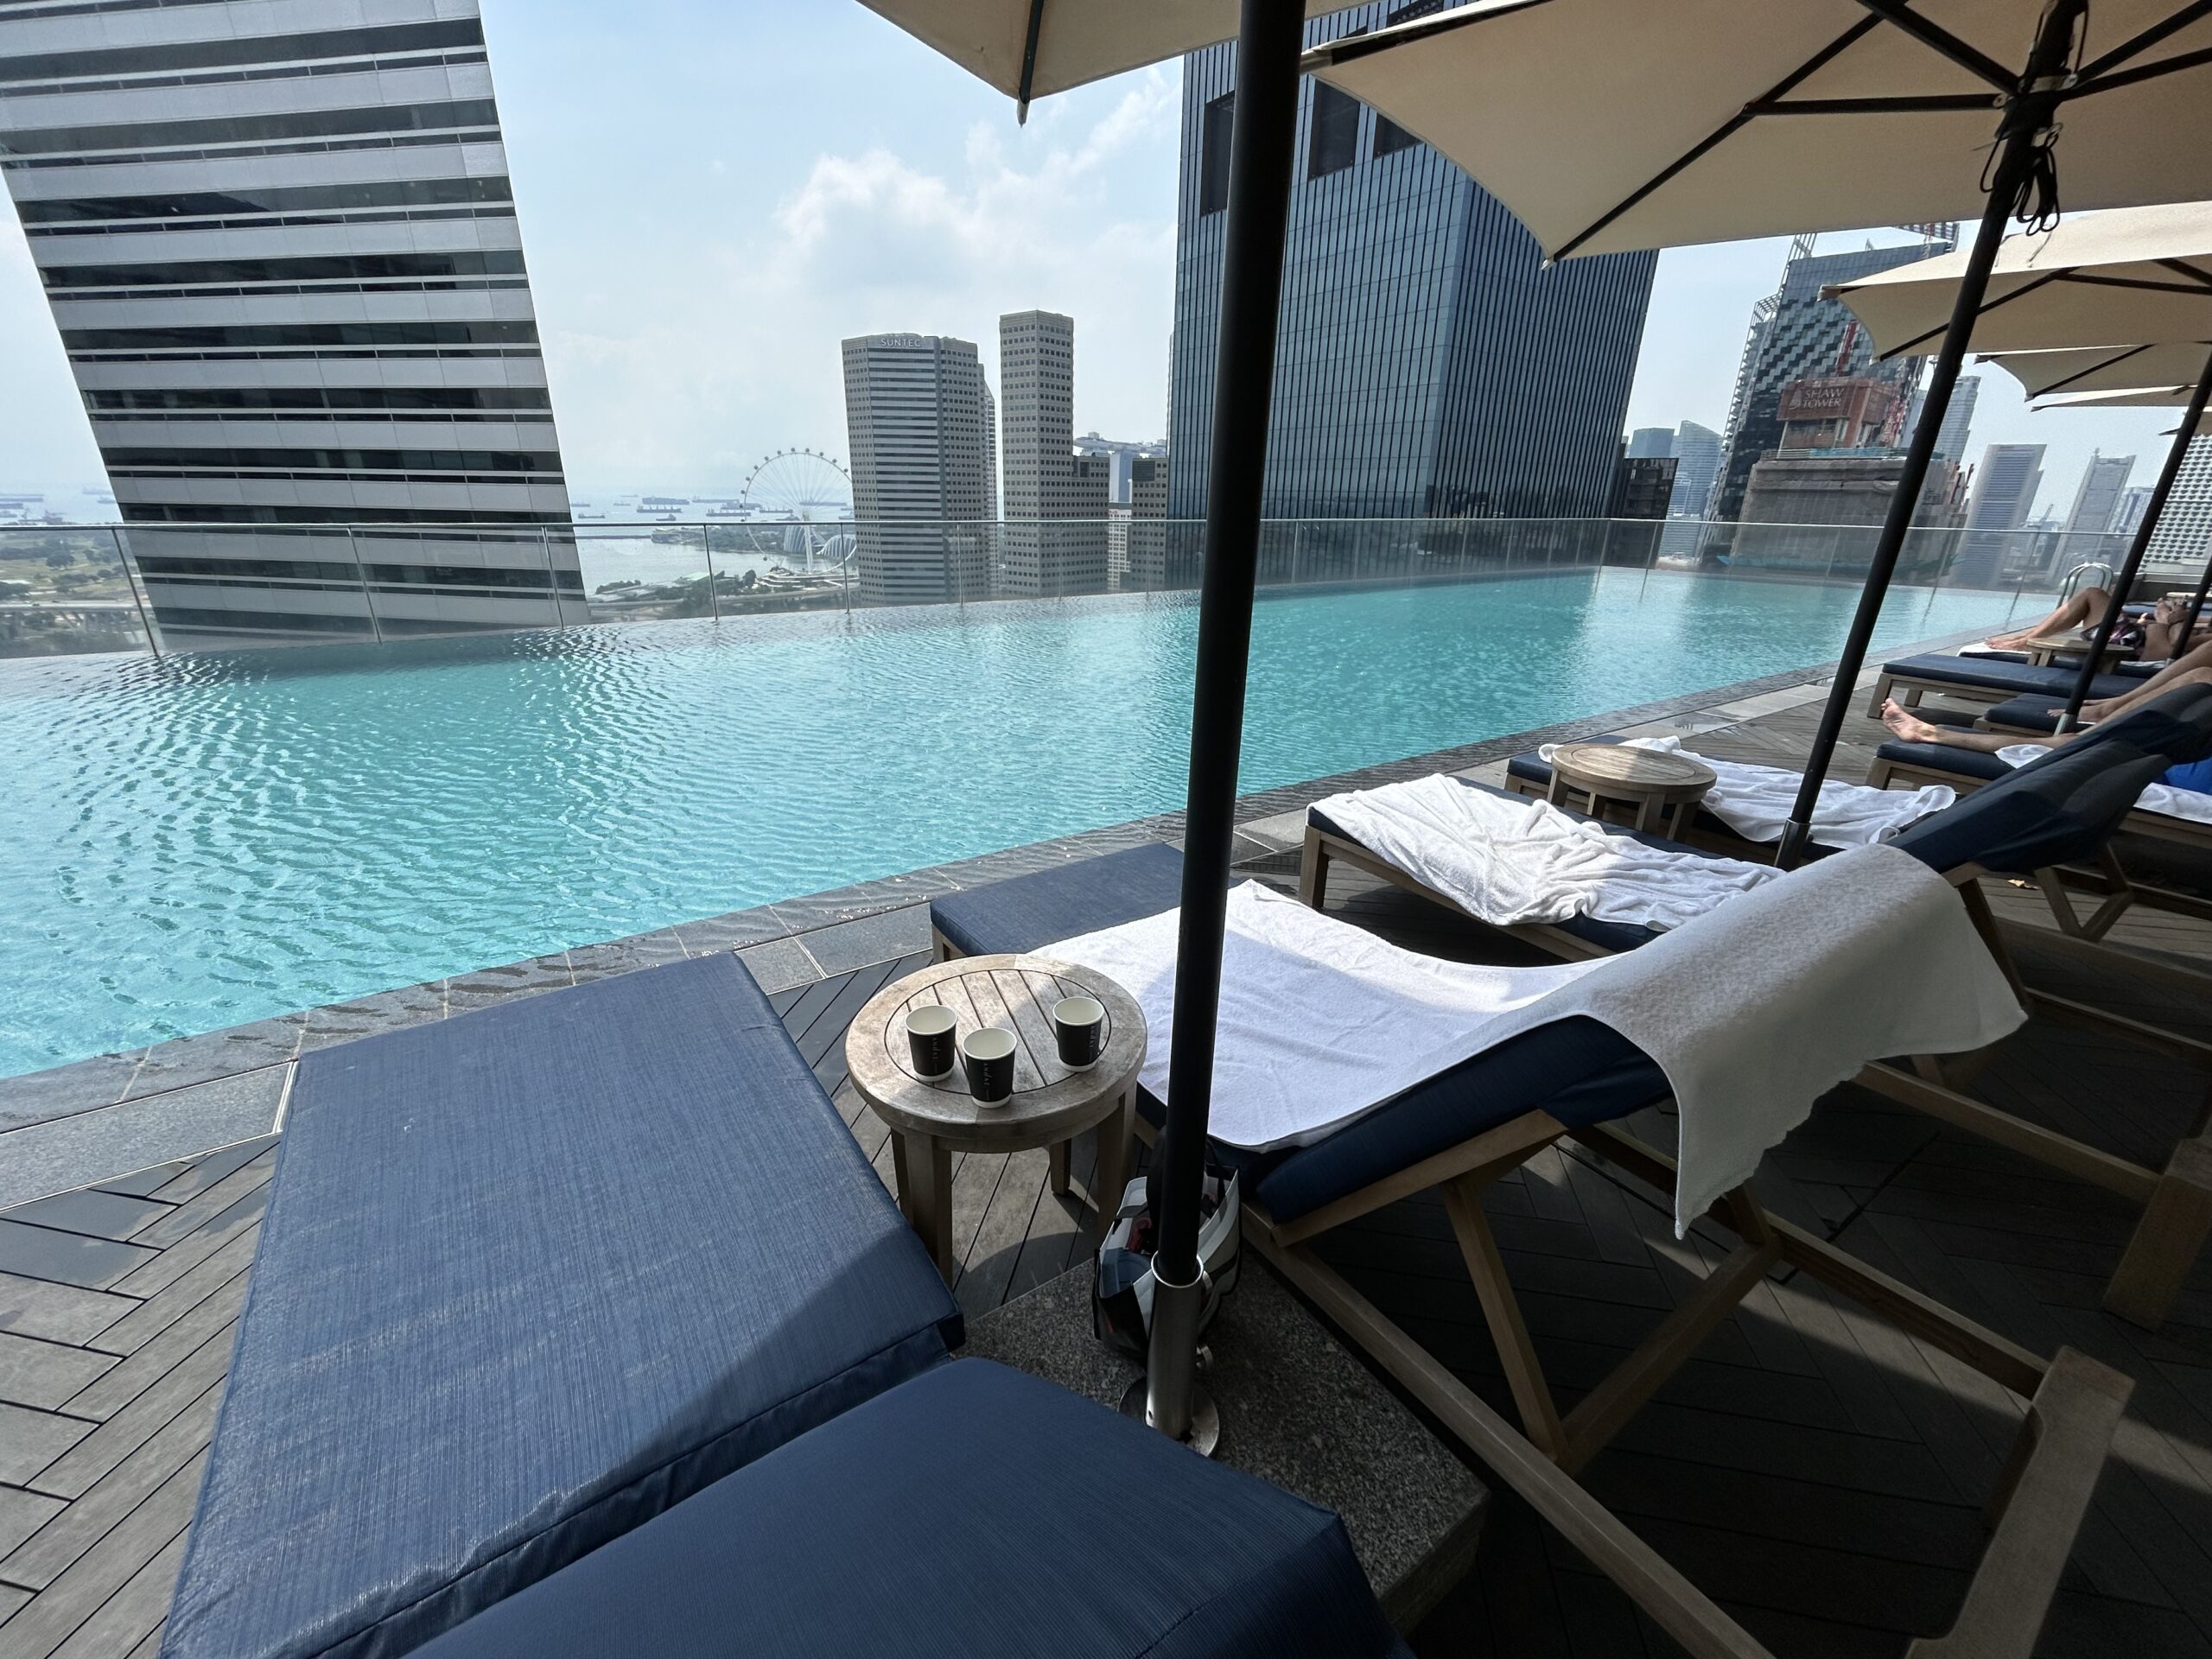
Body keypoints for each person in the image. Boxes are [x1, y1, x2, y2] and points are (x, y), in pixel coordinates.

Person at [1986, 588, 2202, 663]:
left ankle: (2026, 641)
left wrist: (2174, 617)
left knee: (2092, 594)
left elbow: (2177, 644)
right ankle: (2026, 638)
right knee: (2092, 594)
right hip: (2137, 635)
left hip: (2130, 645)